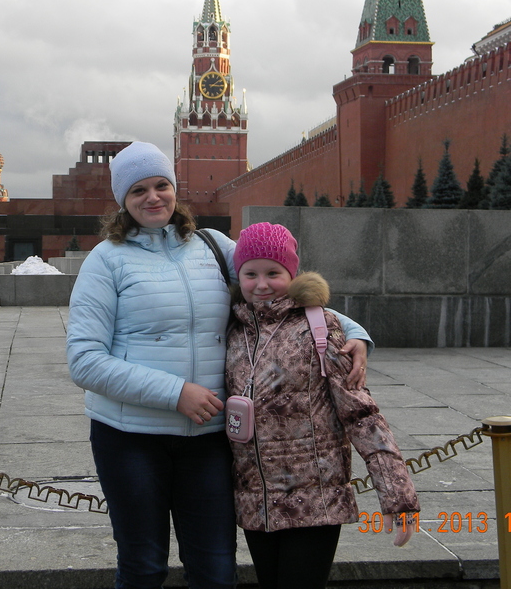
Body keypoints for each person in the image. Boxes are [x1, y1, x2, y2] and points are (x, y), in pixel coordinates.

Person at [66, 142, 374, 589]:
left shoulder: (211, 246)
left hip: (207, 440)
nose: (153, 197)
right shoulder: (106, 260)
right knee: (143, 566)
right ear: (122, 200)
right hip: (131, 439)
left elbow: (279, 294)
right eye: (138, 190)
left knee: (214, 569)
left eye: (161, 185)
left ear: (174, 189)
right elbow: (85, 361)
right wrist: (176, 393)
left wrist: (354, 331)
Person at [225, 222, 420, 589]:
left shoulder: (319, 326)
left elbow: (361, 414)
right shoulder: (235, 331)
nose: (262, 284)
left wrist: (399, 496)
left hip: (315, 501)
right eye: (251, 274)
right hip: (256, 502)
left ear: (291, 274)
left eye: (273, 273)